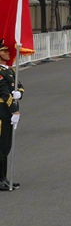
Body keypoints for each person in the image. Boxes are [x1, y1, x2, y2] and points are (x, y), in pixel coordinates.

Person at [0, 39, 24, 189]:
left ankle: (4, 178)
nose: (8, 53)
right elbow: (3, 93)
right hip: (2, 112)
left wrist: (19, 93)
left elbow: (19, 85)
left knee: (6, 146)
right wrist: (14, 110)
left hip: (8, 112)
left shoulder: (9, 70)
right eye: (4, 51)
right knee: (1, 146)